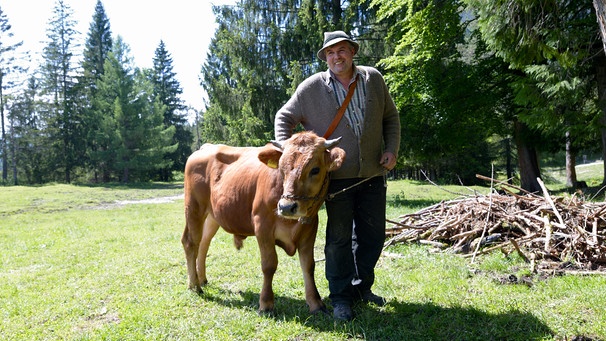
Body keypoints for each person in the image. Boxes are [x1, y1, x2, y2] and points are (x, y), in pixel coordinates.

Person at [274, 30, 401, 321]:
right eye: (330, 53)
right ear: (325, 57)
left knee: (372, 237)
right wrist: (290, 152)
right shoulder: (311, 88)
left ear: (353, 52)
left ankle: (361, 288)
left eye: (341, 50)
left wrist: (392, 150)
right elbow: (284, 117)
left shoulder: (373, 79)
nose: (336, 57)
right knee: (339, 239)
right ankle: (341, 297)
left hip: (372, 174)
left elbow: (391, 118)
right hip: (335, 179)